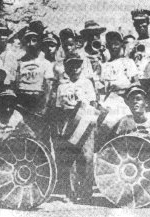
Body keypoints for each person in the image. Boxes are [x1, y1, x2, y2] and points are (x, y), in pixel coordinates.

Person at [54, 54, 97, 203]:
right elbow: (59, 109)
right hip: (68, 124)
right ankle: (71, 192)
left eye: (78, 65)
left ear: (82, 67)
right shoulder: (61, 87)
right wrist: (60, 128)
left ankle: (86, 192)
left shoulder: (87, 83)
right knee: (70, 159)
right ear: (66, 68)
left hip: (85, 124)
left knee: (86, 157)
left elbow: (93, 104)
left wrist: (90, 122)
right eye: (71, 65)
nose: (75, 68)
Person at [14, 21, 54, 115]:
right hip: (21, 102)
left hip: (37, 102)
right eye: (28, 41)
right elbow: (15, 84)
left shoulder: (45, 63)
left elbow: (48, 87)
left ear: (39, 42)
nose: (30, 44)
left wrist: (45, 106)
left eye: (34, 40)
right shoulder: (20, 62)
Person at [129, 9, 150, 78]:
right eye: (137, 23)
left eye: (143, 22)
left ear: (148, 22)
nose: (140, 25)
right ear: (134, 25)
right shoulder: (131, 45)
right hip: (139, 81)